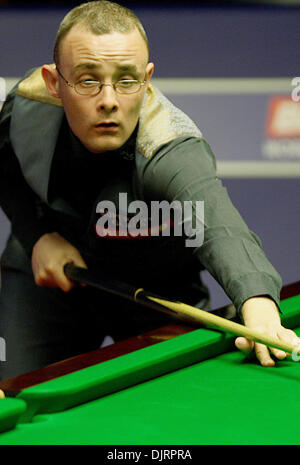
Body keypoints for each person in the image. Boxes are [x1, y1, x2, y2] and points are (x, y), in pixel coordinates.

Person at [0, 0, 299, 382]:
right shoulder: (26, 107)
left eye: (127, 80)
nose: (108, 100)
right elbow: (5, 171)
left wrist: (259, 306)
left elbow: (220, 225)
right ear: (54, 84)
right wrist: (38, 234)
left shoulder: (169, 146)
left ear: (147, 78)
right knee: (16, 395)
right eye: (88, 80)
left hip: (158, 291)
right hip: (49, 280)